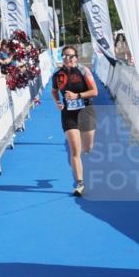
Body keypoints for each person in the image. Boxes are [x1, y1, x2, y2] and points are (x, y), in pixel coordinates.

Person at [52, 45, 98, 197]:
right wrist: (57, 102)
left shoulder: (84, 71)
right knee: (75, 150)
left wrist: (77, 96)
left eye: (70, 56)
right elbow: (54, 91)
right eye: (64, 56)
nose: (67, 58)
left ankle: (87, 150)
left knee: (87, 148)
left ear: (76, 58)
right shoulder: (57, 75)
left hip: (85, 111)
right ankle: (80, 183)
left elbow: (94, 92)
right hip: (68, 114)